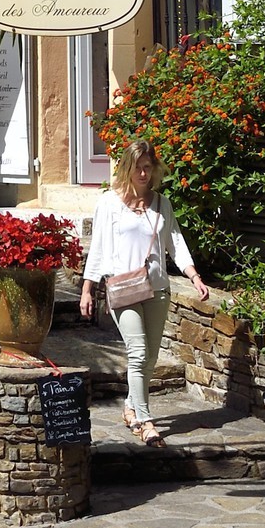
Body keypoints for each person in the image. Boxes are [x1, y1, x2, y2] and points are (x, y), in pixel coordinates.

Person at [80, 137, 208, 445]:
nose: (142, 174)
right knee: (137, 353)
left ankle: (129, 406)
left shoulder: (162, 203)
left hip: (156, 288)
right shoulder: (109, 203)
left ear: (154, 170)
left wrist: (194, 276)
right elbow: (97, 249)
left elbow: (175, 243)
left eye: (147, 168)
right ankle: (146, 420)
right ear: (127, 168)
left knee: (149, 357)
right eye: (137, 168)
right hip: (122, 288)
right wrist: (87, 289)